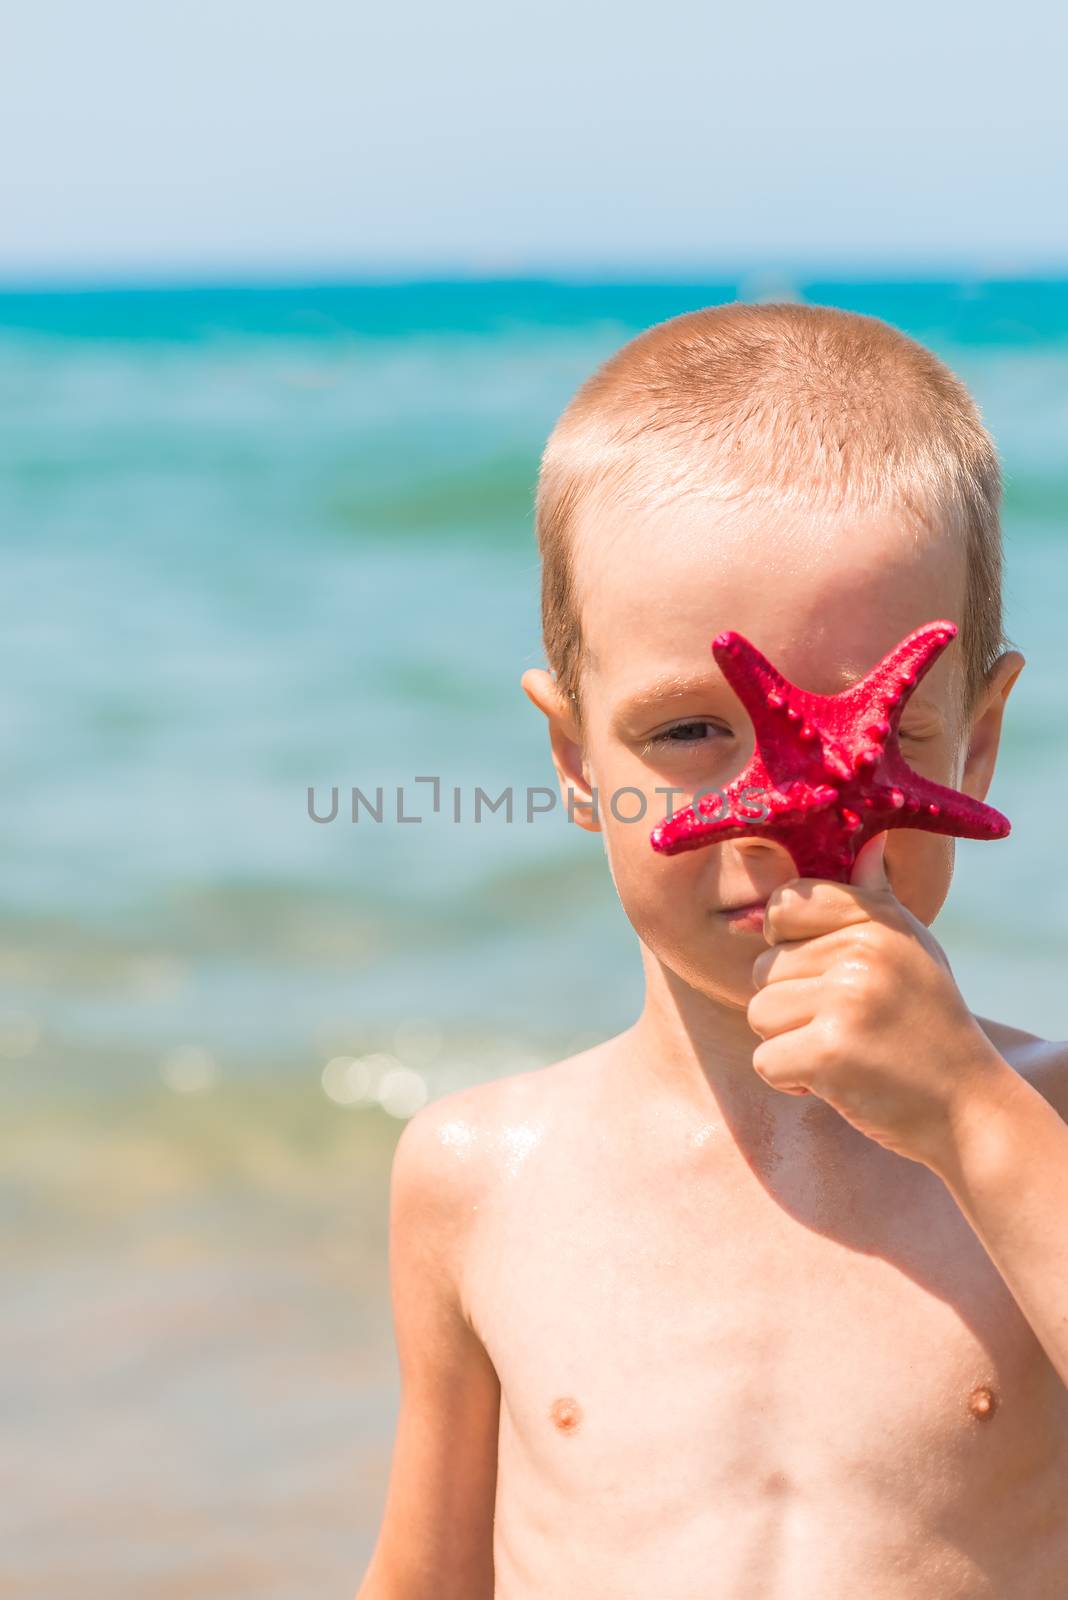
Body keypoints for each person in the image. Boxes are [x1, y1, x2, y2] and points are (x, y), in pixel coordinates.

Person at [357, 301, 1068, 1598]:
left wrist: (974, 1119)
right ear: (575, 759)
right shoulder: (477, 1177)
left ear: (976, 741)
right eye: (691, 733)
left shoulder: (1049, 1134)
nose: (795, 816)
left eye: (878, 732)